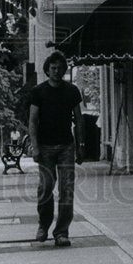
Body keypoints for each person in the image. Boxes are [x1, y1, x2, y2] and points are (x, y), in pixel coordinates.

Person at [28, 51, 84, 247]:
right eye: (53, 68)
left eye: (60, 68)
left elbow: (78, 119)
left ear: (64, 70)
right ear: (47, 69)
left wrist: (80, 145)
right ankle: (43, 224)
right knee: (45, 188)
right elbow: (33, 121)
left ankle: (61, 231)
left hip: (66, 146)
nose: (57, 71)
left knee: (66, 190)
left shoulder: (72, 91)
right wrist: (34, 147)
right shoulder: (38, 91)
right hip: (44, 147)